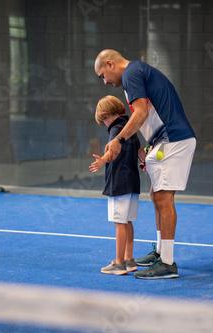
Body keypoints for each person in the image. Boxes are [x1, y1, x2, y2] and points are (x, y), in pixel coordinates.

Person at [94, 49, 196, 279]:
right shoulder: (137, 73)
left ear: (110, 64)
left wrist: (119, 139)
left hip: (173, 138)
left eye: (102, 75)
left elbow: (139, 113)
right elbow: (149, 113)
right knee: (155, 193)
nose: (104, 81)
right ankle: (160, 253)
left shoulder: (131, 73)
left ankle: (167, 263)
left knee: (163, 197)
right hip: (164, 139)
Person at [89, 95, 146, 275]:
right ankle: (129, 259)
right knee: (127, 221)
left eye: (103, 121)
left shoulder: (115, 131)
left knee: (119, 223)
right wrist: (148, 163)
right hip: (132, 183)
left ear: (107, 115)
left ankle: (119, 263)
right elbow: (139, 150)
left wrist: (101, 161)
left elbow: (112, 151)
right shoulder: (130, 127)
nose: (105, 125)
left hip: (119, 183)